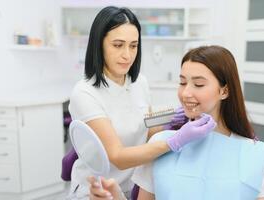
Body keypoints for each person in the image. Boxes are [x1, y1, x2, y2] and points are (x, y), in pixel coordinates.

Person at [88, 45, 264, 200]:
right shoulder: (161, 145)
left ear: (224, 91)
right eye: (182, 82)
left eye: (198, 84)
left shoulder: (255, 154)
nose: (185, 93)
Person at [67, 6, 216, 199]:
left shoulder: (139, 83)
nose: (127, 55)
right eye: (118, 45)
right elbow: (118, 157)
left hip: (133, 187)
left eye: (133, 45)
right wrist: (176, 140)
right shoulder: (85, 92)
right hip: (97, 191)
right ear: (99, 44)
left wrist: (172, 120)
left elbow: (145, 130)